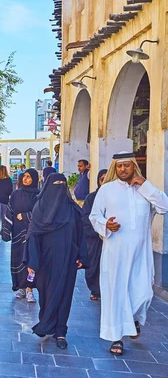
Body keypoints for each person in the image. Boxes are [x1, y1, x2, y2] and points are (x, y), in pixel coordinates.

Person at [89, 152, 168, 356]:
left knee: (143, 293)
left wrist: (145, 185)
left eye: (127, 166)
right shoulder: (107, 190)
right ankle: (117, 337)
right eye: (120, 166)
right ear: (115, 168)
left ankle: (132, 320)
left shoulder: (145, 189)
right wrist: (106, 224)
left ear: (134, 167)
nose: (123, 169)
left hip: (141, 254)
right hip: (116, 253)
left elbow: (164, 206)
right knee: (117, 295)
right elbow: (94, 215)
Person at [25, 172, 87, 349]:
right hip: (46, 261)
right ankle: (47, 323)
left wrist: (82, 256)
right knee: (47, 294)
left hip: (68, 259)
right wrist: (32, 262)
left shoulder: (73, 209)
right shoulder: (40, 208)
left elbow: (82, 234)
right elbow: (34, 235)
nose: (59, 187)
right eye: (55, 183)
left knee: (65, 295)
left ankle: (61, 331)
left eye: (62, 183)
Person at [2, 168, 39, 303]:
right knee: (18, 260)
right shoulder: (16, 194)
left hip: (33, 234)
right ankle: (21, 288)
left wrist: (24, 216)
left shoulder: (39, 195)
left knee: (31, 261)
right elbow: (9, 211)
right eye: (24, 176)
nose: (25, 179)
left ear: (34, 179)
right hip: (18, 233)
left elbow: (40, 213)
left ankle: (30, 290)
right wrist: (6, 231)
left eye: (29, 177)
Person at [81, 169, 108, 301]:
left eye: (107, 179)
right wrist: (98, 230)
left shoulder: (114, 197)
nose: (104, 182)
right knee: (93, 265)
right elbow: (85, 218)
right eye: (102, 179)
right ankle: (95, 289)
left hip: (110, 238)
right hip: (94, 238)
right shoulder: (91, 198)